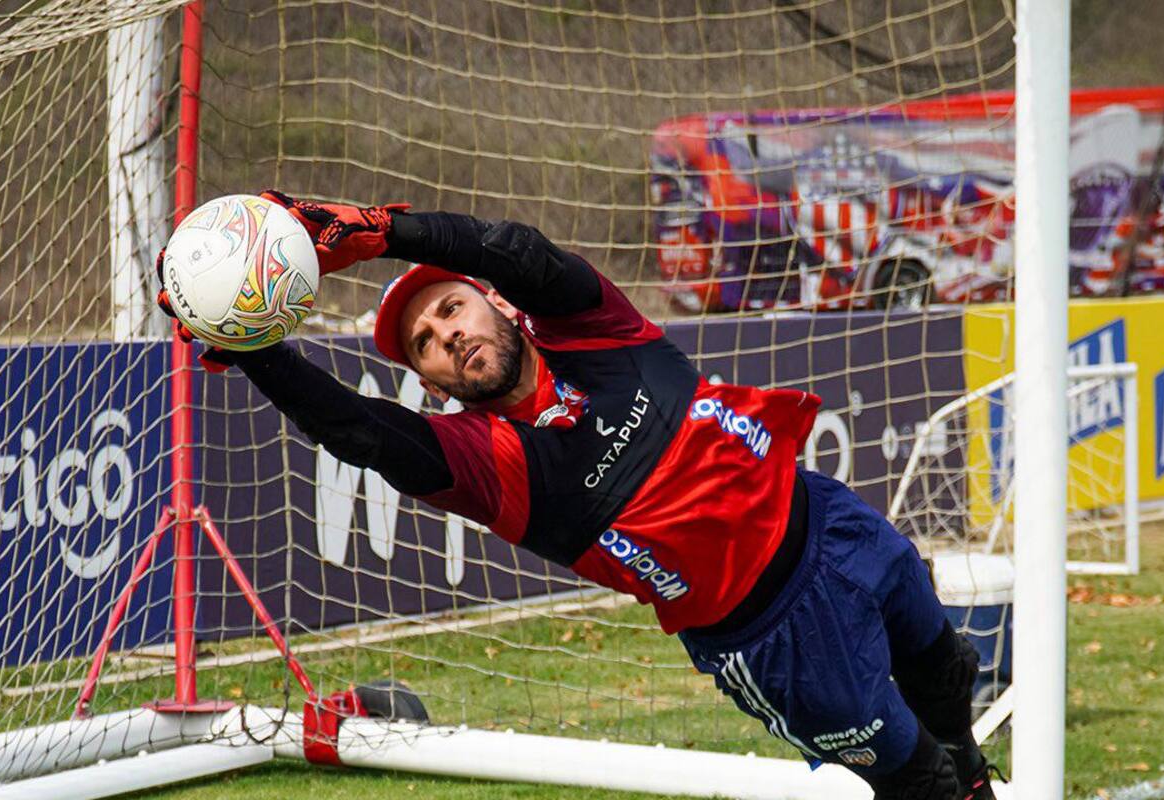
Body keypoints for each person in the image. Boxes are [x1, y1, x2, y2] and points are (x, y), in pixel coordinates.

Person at [156, 192, 998, 800]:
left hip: (832, 522)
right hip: (772, 636)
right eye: (425, 345)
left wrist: (379, 232)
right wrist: (258, 351)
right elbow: (362, 432)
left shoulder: (600, 332)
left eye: (451, 309)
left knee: (946, 673)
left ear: (497, 308)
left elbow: (514, 248)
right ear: (431, 380)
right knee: (917, 780)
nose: (447, 335)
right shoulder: (488, 465)